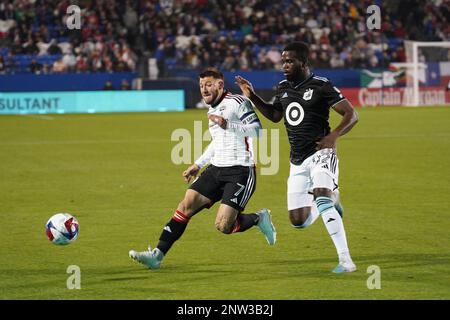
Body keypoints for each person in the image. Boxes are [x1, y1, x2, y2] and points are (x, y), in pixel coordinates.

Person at [129, 68, 277, 269]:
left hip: (240, 171)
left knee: (223, 226)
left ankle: (259, 218)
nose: (204, 89)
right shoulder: (212, 109)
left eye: (208, 84)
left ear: (219, 85)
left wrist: (228, 125)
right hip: (216, 169)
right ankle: (157, 255)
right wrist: (198, 164)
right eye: (201, 86)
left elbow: (257, 130)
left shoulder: (237, 102)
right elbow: (217, 142)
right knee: (186, 205)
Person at [235, 42, 359, 273]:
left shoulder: (321, 85)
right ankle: (334, 198)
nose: (285, 65)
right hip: (298, 161)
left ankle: (346, 260)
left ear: (303, 62)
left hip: (321, 152)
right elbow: (274, 115)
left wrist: (333, 136)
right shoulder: (283, 87)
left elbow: (352, 114)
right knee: (298, 221)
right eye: (283, 61)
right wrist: (251, 95)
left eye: (290, 61)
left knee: (321, 199)